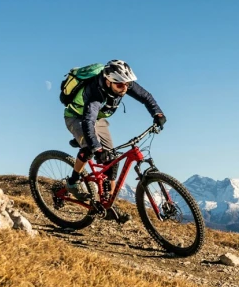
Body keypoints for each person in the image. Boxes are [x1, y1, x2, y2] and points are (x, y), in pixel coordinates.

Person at [63, 60, 166, 198]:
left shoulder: (122, 82)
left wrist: (157, 113)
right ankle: (72, 182)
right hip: (76, 117)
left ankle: (109, 202)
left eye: (127, 84)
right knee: (89, 148)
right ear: (108, 82)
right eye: (120, 85)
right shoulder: (95, 93)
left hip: (97, 119)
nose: (124, 88)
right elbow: (88, 121)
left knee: (111, 158)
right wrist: (96, 148)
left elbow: (145, 97)